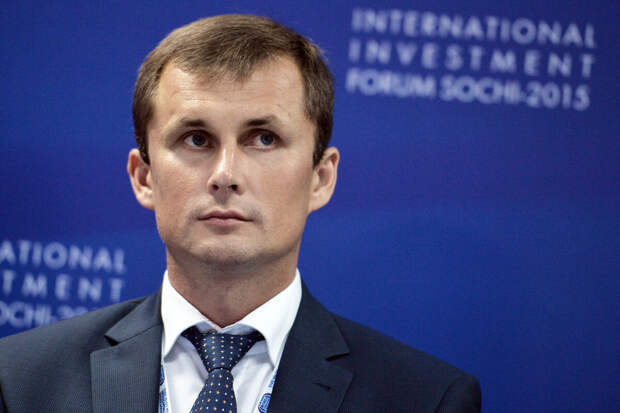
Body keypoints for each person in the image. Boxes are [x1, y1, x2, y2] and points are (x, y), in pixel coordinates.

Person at [0, 15, 481, 413]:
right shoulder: (19, 379)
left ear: (320, 177)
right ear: (143, 177)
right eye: (196, 139)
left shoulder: (425, 399)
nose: (225, 174)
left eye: (263, 139)